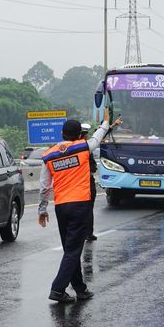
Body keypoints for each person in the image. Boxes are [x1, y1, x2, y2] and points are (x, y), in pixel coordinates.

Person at [38, 108, 110, 303]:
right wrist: (105, 122)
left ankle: (80, 288)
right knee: (73, 250)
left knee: (71, 249)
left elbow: (44, 186)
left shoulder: (49, 155)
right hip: (80, 204)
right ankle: (58, 289)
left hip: (61, 206)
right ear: (79, 135)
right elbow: (98, 136)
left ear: (62, 134)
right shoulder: (83, 148)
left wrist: (42, 209)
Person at [80, 123, 98, 242]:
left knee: (88, 209)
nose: (86, 137)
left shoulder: (88, 149)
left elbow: (93, 165)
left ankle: (88, 233)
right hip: (80, 184)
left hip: (87, 182)